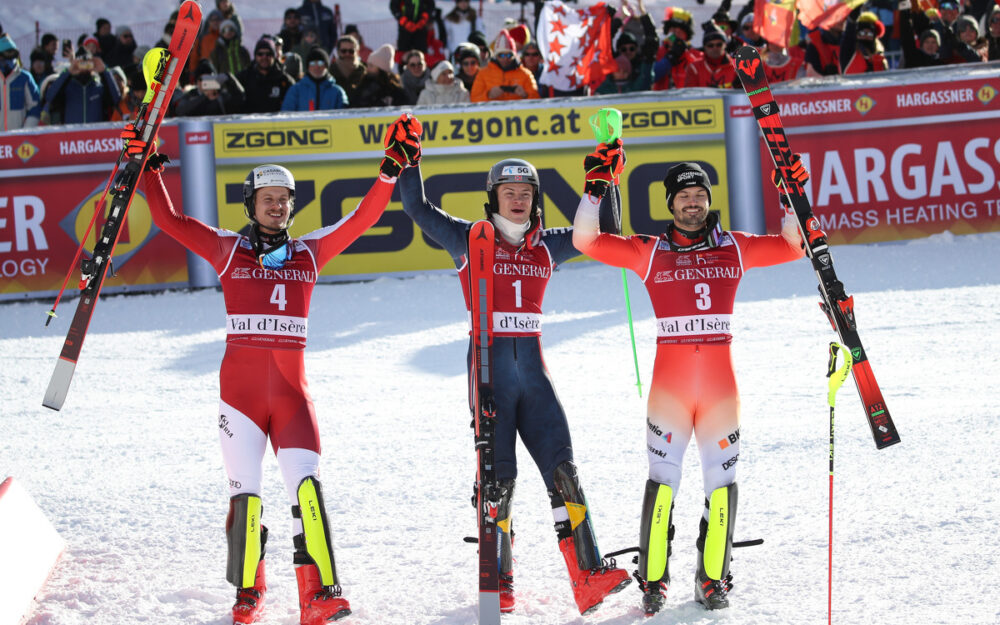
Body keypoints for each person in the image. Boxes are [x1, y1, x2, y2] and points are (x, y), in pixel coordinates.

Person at [133, 112, 416, 625]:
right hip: (239, 400)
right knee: (247, 502)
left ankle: (320, 595)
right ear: (251, 205)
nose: (278, 206)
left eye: (284, 199)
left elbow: (361, 220)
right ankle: (248, 592)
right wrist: (149, 167)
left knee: (307, 490)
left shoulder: (309, 252)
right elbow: (169, 222)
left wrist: (390, 170)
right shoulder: (226, 250)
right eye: (268, 199)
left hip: (291, 397)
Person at [396, 117, 632, 617]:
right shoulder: (467, 239)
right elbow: (416, 208)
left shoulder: (549, 243)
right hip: (488, 365)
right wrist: (409, 158)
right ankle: (497, 580)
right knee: (497, 479)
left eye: (526, 190)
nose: (518, 198)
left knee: (562, 469)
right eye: (509, 190)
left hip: (534, 367)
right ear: (493, 197)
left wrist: (607, 172)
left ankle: (587, 575)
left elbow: (606, 234)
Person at [572, 142, 808, 615]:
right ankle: (653, 582)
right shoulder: (650, 251)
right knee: (662, 483)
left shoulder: (734, 246)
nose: (693, 201)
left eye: (700, 193)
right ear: (670, 203)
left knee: (723, 486)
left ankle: (712, 579)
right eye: (684, 195)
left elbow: (792, 245)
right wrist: (597, 187)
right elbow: (586, 240)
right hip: (671, 393)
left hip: (721, 391)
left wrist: (792, 194)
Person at [42, 48, 120, 125]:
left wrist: (104, 71)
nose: (84, 67)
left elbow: (115, 99)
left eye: (87, 63)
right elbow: (50, 97)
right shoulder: (67, 87)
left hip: (94, 135)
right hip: (71, 135)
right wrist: (68, 72)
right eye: (81, 63)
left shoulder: (99, 87)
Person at [469, 30, 538, 103]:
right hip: (492, 113)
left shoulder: (526, 74)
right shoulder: (483, 74)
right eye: (501, 55)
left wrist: (525, 95)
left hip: (518, 113)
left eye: (509, 55)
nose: (505, 58)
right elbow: (473, 99)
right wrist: (488, 95)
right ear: (496, 56)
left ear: (514, 56)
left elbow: (537, 100)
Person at [237, 37, 296, 113]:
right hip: (250, 123)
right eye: (260, 54)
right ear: (255, 56)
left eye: (268, 54)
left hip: (276, 123)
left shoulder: (284, 79)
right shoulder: (244, 78)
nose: (264, 57)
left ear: (274, 56)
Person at [281, 47, 348, 111]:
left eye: (320, 63)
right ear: (308, 67)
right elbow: (286, 114)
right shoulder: (295, 90)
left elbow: (344, 116)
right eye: (312, 63)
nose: (316, 67)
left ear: (326, 66)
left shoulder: (338, 92)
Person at [176, 59, 244, 116]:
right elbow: (180, 110)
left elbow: (240, 99)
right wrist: (204, 96)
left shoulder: (220, 95)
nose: (206, 82)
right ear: (197, 81)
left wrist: (230, 79)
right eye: (202, 79)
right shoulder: (191, 95)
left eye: (209, 78)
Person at [0, 35, 41, 130]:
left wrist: (25, 132)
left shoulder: (24, 77)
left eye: (13, 54)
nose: (9, 59)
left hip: (18, 139)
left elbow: (35, 107)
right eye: (5, 55)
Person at [353, 43, 407, 108]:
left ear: (381, 69)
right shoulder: (363, 85)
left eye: (371, 66)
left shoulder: (395, 92)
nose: (367, 69)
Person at [329, 35, 365, 104]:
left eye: (351, 51)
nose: (347, 54)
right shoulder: (330, 72)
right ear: (338, 52)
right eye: (344, 51)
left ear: (357, 52)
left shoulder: (364, 72)